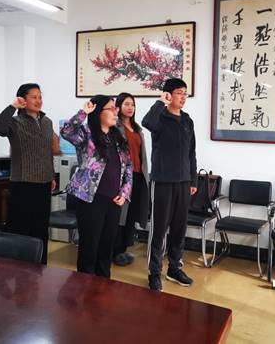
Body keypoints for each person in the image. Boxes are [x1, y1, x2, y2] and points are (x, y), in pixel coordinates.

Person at [60, 95, 133, 278]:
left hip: (114, 201)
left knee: (106, 249)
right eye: (111, 108)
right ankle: (85, 287)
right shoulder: (86, 135)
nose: (116, 112)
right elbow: (66, 131)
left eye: (116, 108)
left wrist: (125, 193)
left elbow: (128, 168)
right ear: (99, 112)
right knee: (89, 249)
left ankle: (103, 286)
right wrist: (83, 112)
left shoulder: (118, 138)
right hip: (90, 200)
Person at [0, 83, 59, 265]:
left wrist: (52, 176)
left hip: (44, 182)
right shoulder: (14, 122)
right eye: (34, 97)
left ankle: (41, 265)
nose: (38, 100)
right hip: (23, 183)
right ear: (23, 99)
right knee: (20, 228)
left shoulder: (47, 122)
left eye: (40, 96)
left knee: (41, 228)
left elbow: (48, 151)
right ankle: (18, 267)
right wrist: (12, 106)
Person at [143, 78, 197, 292]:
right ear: (168, 95)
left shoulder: (187, 121)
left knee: (179, 229)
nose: (183, 97)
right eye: (179, 93)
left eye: (185, 93)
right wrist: (160, 102)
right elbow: (147, 123)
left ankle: (174, 268)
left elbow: (191, 152)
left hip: (184, 182)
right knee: (159, 230)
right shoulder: (159, 117)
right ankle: (154, 272)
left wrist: (193, 179)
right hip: (163, 181)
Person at [112, 92, 150, 266]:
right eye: (126, 104)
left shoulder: (137, 128)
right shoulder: (115, 127)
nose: (130, 108)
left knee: (131, 215)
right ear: (118, 106)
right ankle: (114, 251)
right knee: (120, 215)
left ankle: (123, 249)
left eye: (132, 104)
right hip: (122, 177)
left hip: (138, 176)